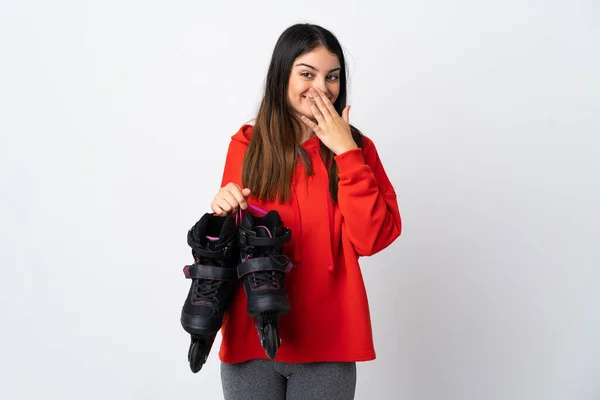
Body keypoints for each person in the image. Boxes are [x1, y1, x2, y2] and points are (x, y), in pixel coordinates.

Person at [210, 23, 402, 400]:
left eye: (332, 76)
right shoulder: (247, 145)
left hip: (328, 340)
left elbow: (372, 238)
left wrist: (346, 153)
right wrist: (222, 210)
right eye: (307, 73)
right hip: (252, 337)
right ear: (283, 75)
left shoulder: (358, 149)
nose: (322, 87)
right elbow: (230, 243)